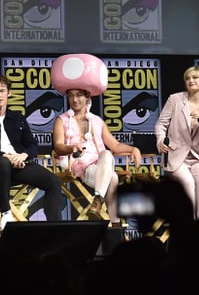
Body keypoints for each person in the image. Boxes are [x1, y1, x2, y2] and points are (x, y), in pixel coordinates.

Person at [0, 74, 66, 230]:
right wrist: (4, 155)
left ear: (9, 93)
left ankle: (55, 228)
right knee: (3, 163)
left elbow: (32, 145)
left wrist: (23, 155)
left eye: (2, 91)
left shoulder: (18, 118)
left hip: (19, 164)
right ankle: (6, 213)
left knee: (54, 181)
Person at [52, 88, 141, 222]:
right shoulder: (62, 120)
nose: (74, 100)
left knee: (106, 153)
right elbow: (58, 147)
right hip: (82, 166)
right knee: (113, 177)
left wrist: (134, 149)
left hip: (101, 164)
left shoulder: (97, 121)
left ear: (87, 96)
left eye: (79, 95)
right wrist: (72, 147)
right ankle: (116, 226)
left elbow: (115, 146)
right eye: (70, 96)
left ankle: (97, 200)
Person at [154, 65, 199, 218]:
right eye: (187, 78)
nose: (190, 81)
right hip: (176, 156)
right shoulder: (175, 99)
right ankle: (186, 228)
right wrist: (159, 140)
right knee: (188, 183)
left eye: (195, 77)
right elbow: (161, 124)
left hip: (198, 157)